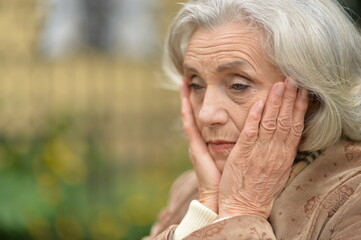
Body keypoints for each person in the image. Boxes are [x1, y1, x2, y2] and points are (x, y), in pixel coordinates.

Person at [144, 0, 361, 239]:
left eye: (238, 85)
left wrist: (240, 210)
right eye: (197, 84)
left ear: (313, 95)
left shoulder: (353, 197)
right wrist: (207, 207)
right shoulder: (191, 189)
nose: (207, 114)